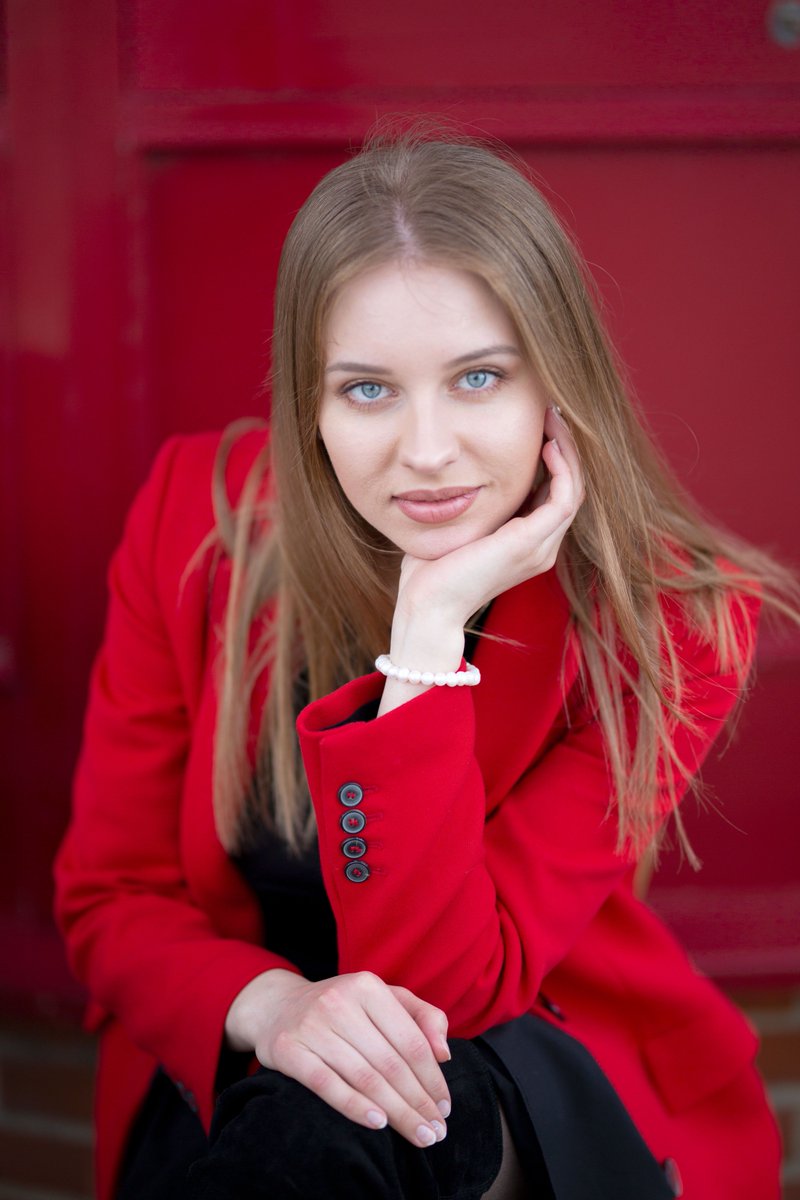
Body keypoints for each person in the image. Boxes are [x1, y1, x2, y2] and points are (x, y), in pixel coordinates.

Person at [54, 130, 797, 1200]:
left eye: (477, 378)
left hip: (513, 1059)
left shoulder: (673, 619)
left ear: (557, 381)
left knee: (340, 1126)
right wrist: (272, 1006)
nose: (427, 450)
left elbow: (445, 985)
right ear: (308, 403)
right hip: (237, 1051)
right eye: (367, 391)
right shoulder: (197, 526)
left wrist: (426, 639)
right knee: (298, 1122)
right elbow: (106, 898)